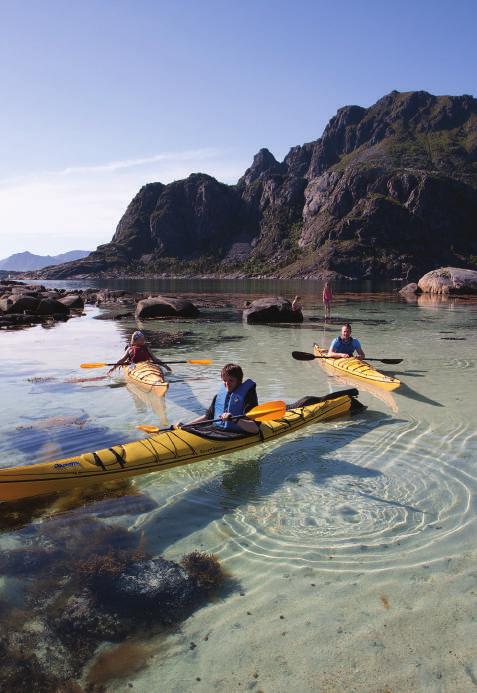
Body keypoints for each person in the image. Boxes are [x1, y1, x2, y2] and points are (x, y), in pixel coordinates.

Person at [178, 363, 259, 434]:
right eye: (224, 380)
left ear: (239, 381)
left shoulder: (248, 397)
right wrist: (186, 425)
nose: (227, 384)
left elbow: (255, 429)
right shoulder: (219, 396)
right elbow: (207, 417)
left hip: (237, 433)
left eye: (231, 380)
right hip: (217, 431)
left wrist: (234, 419)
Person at [108, 331, 172, 374]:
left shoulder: (146, 348)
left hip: (147, 365)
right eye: (141, 339)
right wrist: (113, 368)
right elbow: (122, 360)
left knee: (158, 369)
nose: (143, 341)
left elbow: (155, 359)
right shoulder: (130, 349)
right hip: (134, 366)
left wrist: (165, 366)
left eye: (143, 339)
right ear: (135, 341)